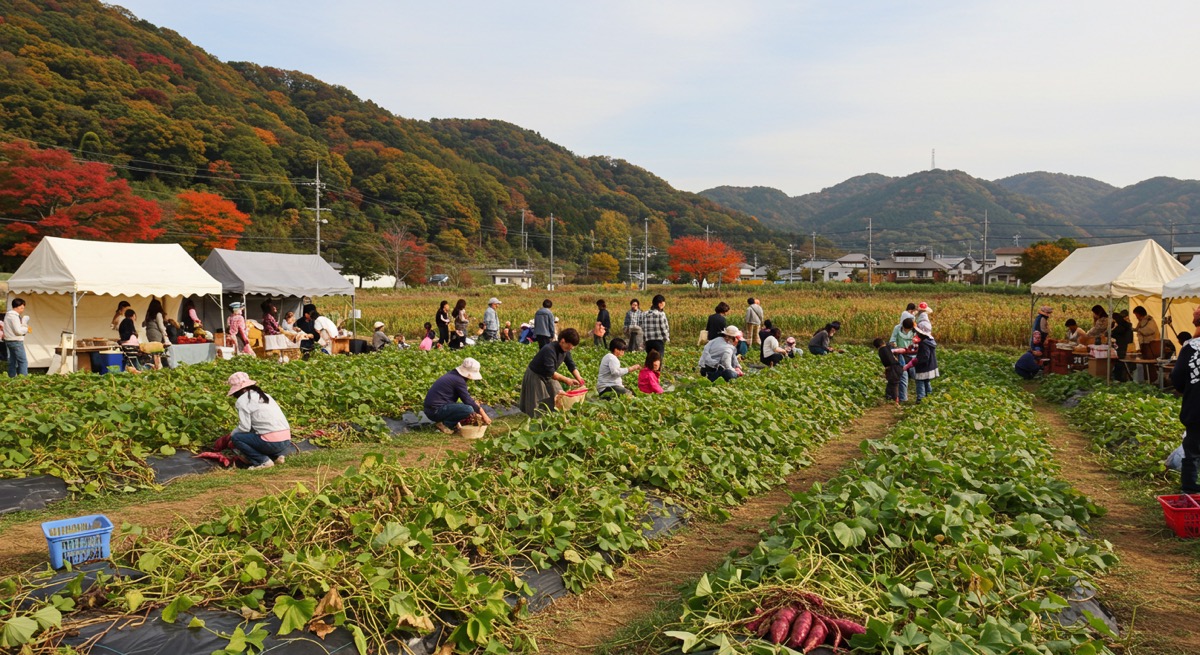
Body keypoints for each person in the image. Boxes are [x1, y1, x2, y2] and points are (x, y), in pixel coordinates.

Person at [225, 372, 292, 470]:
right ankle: (277, 456)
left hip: (272, 443)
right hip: (286, 440)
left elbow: (245, 427)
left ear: (241, 389)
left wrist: (231, 434)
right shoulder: (265, 395)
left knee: (237, 438)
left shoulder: (242, 400)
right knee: (259, 435)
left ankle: (263, 461)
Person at [519, 328, 586, 417]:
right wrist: (567, 380)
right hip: (536, 375)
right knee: (538, 402)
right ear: (563, 341)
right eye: (570, 345)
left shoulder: (565, 350)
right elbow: (551, 372)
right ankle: (537, 423)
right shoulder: (549, 349)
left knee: (558, 395)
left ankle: (554, 418)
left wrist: (579, 379)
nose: (571, 348)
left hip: (548, 375)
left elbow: (571, 365)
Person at [1170, 307, 1200, 495]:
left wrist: (1187, 389)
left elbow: (1177, 377)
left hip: (1197, 407)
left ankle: (1190, 492)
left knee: (1193, 451)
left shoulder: (1191, 347)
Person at [424, 358, 492, 435]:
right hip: (435, 411)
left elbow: (465, 399)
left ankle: (449, 423)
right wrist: (484, 415)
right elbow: (467, 401)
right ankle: (445, 425)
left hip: (432, 409)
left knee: (469, 407)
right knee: (468, 409)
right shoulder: (458, 380)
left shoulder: (453, 375)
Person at [904, 324, 939, 401]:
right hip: (930, 365)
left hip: (924, 366)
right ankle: (929, 396)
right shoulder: (930, 341)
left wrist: (916, 362)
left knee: (920, 382)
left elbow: (924, 356)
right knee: (926, 381)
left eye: (917, 333)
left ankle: (920, 398)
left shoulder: (923, 343)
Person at [890, 317, 916, 401]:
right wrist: (895, 345)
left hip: (912, 354)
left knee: (914, 374)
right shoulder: (897, 328)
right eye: (905, 329)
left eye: (908, 330)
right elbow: (892, 340)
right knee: (903, 375)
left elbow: (916, 343)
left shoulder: (915, 330)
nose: (907, 331)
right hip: (900, 353)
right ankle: (903, 397)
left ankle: (917, 393)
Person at [4, 298, 30, 377]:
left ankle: (11, 377)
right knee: (23, 361)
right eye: (22, 308)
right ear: (17, 307)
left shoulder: (8, 315)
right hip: (16, 341)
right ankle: (23, 380)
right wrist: (26, 329)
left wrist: (24, 322)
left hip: (9, 340)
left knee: (12, 360)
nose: (22, 310)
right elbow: (18, 331)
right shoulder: (14, 316)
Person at [875, 337, 905, 403]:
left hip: (891, 368)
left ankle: (890, 397)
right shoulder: (885, 349)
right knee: (894, 384)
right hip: (894, 368)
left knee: (892, 383)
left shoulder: (881, 350)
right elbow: (891, 359)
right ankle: (895, 399)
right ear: (882, 343)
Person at [143, 298, 169, 369]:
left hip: (149, 333)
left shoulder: (148, 314)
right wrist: (165, 334)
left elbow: (143, 324)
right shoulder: (158, 314)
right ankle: (158, 365)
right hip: (156, 333)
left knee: (153, 349)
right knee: (157, 350)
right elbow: (161, 326)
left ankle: (154, 365)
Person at [642, 294, 670, 360]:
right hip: (658, 341)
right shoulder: (661, 314)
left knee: (650, 361)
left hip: (648, 342)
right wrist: (667, 338)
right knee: (658, 361)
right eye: (663, 302)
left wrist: (644, 340)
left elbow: (643, 328)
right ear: (660, 303)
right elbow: (664, 328)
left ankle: (648, 370)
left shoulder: (645, 314)